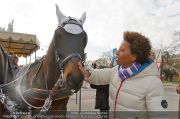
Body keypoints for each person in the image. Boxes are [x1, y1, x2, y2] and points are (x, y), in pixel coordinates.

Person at [79, 31, 168, 119]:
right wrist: (84, 70)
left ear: (134, 56)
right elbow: (97, 75)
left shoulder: (153, 83)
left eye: (122, 50)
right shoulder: (116, 71)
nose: (116, 53)